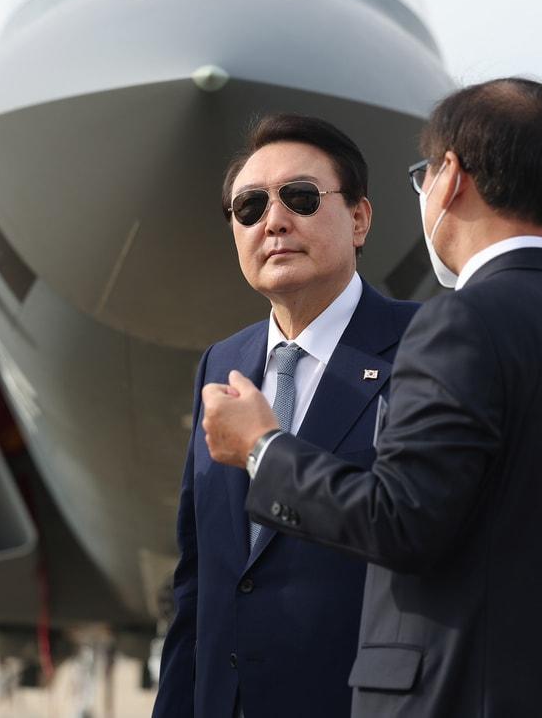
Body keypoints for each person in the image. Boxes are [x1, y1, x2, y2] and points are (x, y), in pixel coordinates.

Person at [201, 79, 542, 717]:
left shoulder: (454, 325)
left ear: (450, 178)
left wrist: (262, 447)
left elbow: (401, 521)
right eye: (249, 207)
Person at [153, 115, 420, 718]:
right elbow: (201, 583)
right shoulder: (223, 365)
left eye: (299, 198)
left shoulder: (426, 347)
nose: (273, 221)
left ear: (359, 219)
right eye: (249, 208)